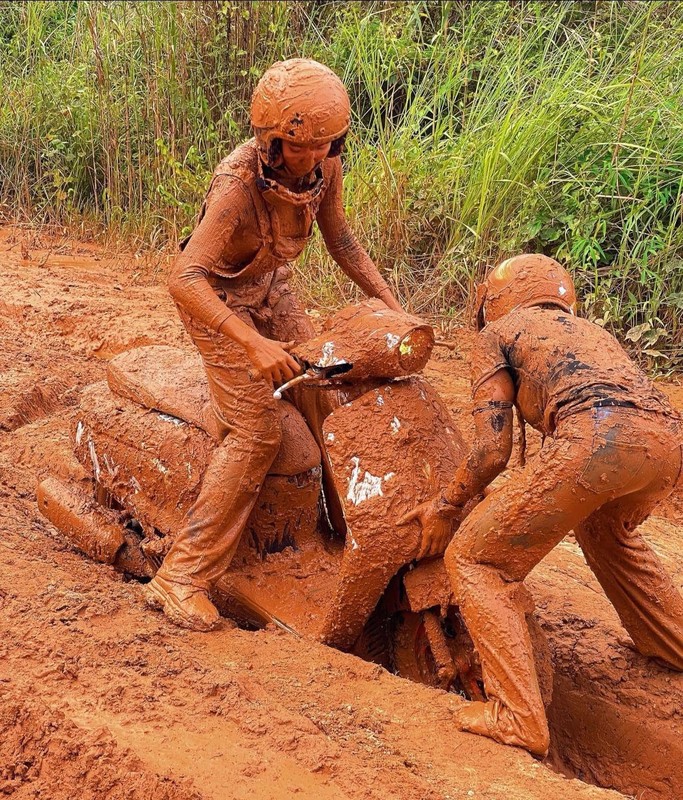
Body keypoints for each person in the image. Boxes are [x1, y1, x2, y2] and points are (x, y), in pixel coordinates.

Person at [146, 58, 401, 632]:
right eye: (301, 146)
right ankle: (180, 578)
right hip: (218, 303)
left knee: (323, 386)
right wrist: (251, 345)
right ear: (270, 140)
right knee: (258, 433)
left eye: (327, 145)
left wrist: (390, 303)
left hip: (271, 289)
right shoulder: (236, 187)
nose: (316, 157)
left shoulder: (325, 165)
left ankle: (348, 529)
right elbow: (184, 278)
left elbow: (342, 239)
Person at [399, 254, 683, 756]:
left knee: (475, 559)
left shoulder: (499, 332)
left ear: (494, 299)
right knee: (605, 530)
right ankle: (672, 641)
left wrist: (446, 505)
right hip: (665, 447)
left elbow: (491, 449)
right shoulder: (591, 333)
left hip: (594, 438)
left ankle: (517, 716)